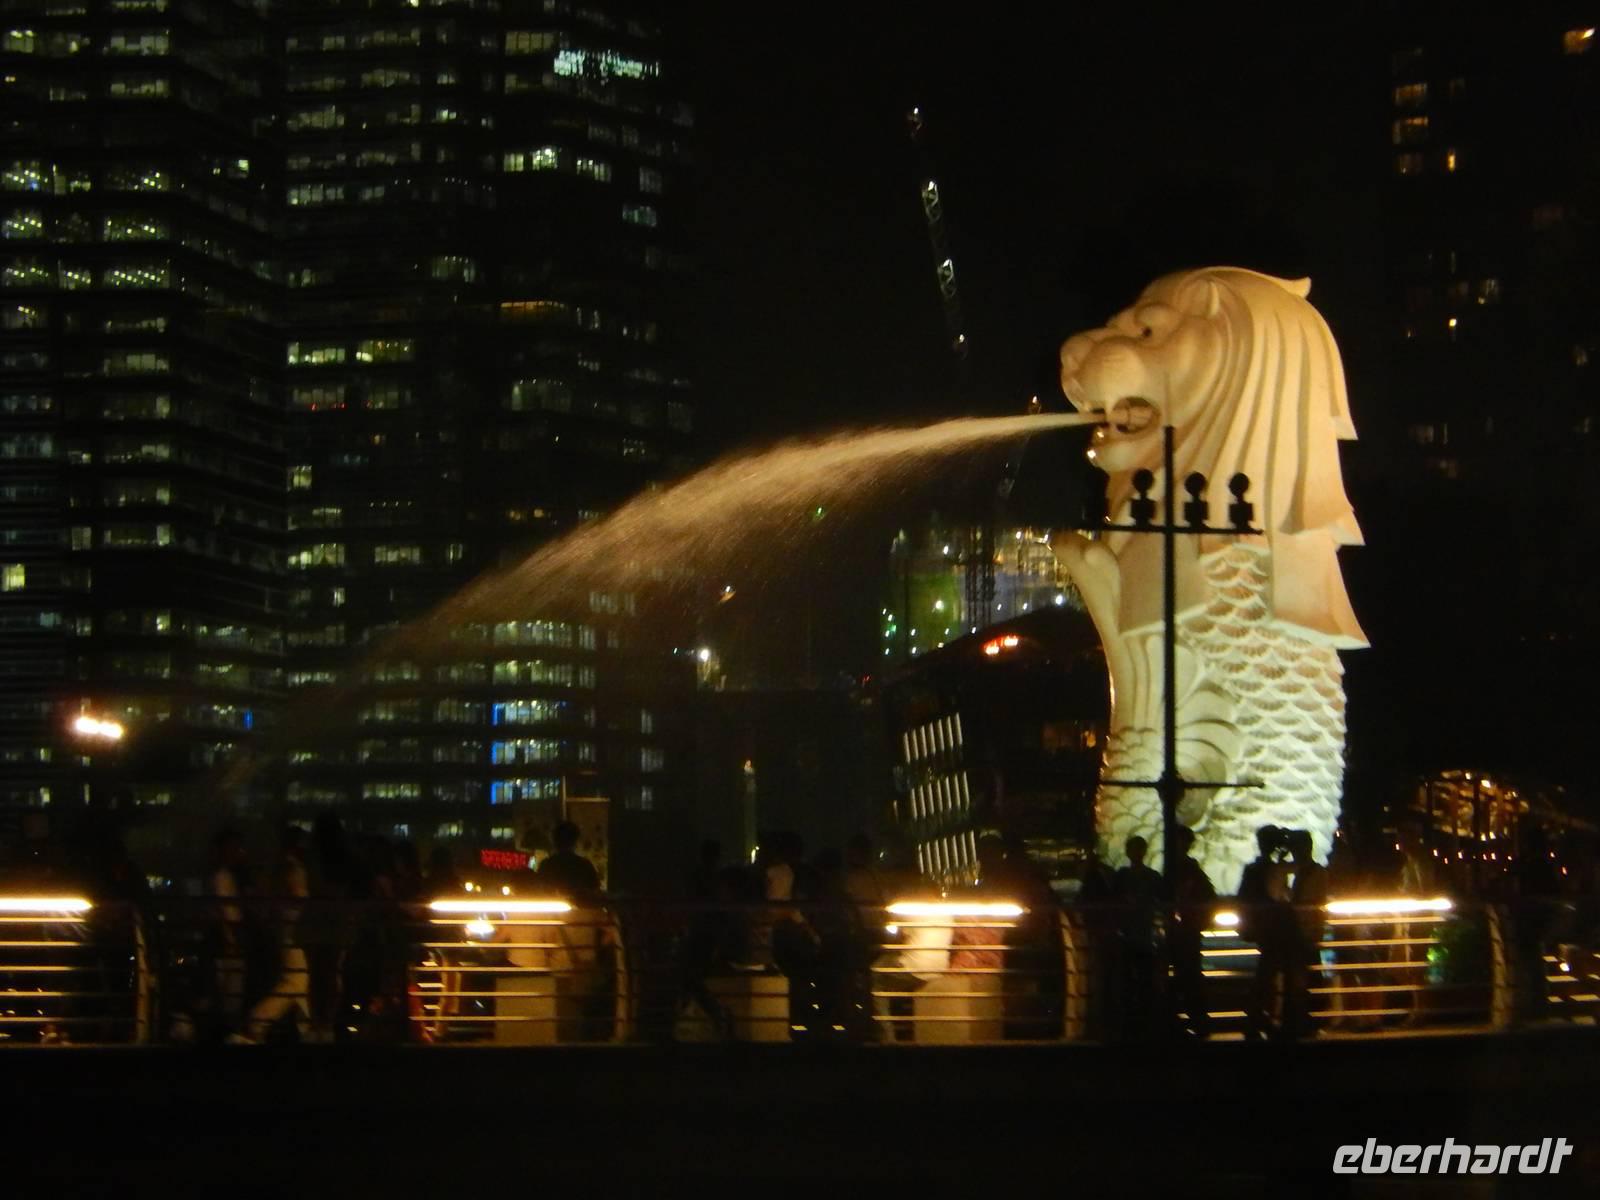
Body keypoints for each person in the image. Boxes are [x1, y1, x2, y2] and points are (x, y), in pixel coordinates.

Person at [238, 825, 311, 1044]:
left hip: (284, 931)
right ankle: (258, 1021)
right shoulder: (292, 868)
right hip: (292, 931)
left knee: (299, 981)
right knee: (297, 979)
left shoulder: (279, 867)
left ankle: (304, 1027)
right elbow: (295, 899)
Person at [1238, 825, 1292, 1040]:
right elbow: (1278, 895)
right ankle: (1261, 1019)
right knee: (1268, 976)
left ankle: (1257, 1019)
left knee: (1265, 975)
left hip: (1261, 927)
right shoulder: (1273, 869)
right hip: (1273, 928)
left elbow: (1244, 895)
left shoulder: (1252, 869)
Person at [1113, 835, 1165, 1041]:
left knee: (1134, 978)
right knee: (1139, 978)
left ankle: (1133, 1020)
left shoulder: (1124, 877)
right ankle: (1141, 1019)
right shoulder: (1149, 877)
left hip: (1136, 934)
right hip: (1138, 933)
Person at [1167, 826, 1215, 1040]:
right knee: (1189, 975)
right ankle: (1197, 1020)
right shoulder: (1189, 868)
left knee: (1185, 975)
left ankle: (1190, 1020)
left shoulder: (1182, 868)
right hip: (1188, 930)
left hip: (1184, 930)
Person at [1283, 829, 1328, 1040]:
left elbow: (1312, 903)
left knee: (1303, 978)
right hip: (1304, 931)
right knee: (1307, 977)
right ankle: (1309, 1020)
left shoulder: (1311, 873)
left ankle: (1306, 1020)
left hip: (1305, 932)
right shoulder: (1310, 872)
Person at [536, 821, 602, 902]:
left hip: (552, 910)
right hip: (580, 911)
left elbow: (539, 890)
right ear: (575, 842)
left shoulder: (546, 865)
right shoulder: (584, 865)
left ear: (554, 841)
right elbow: (595, 891)